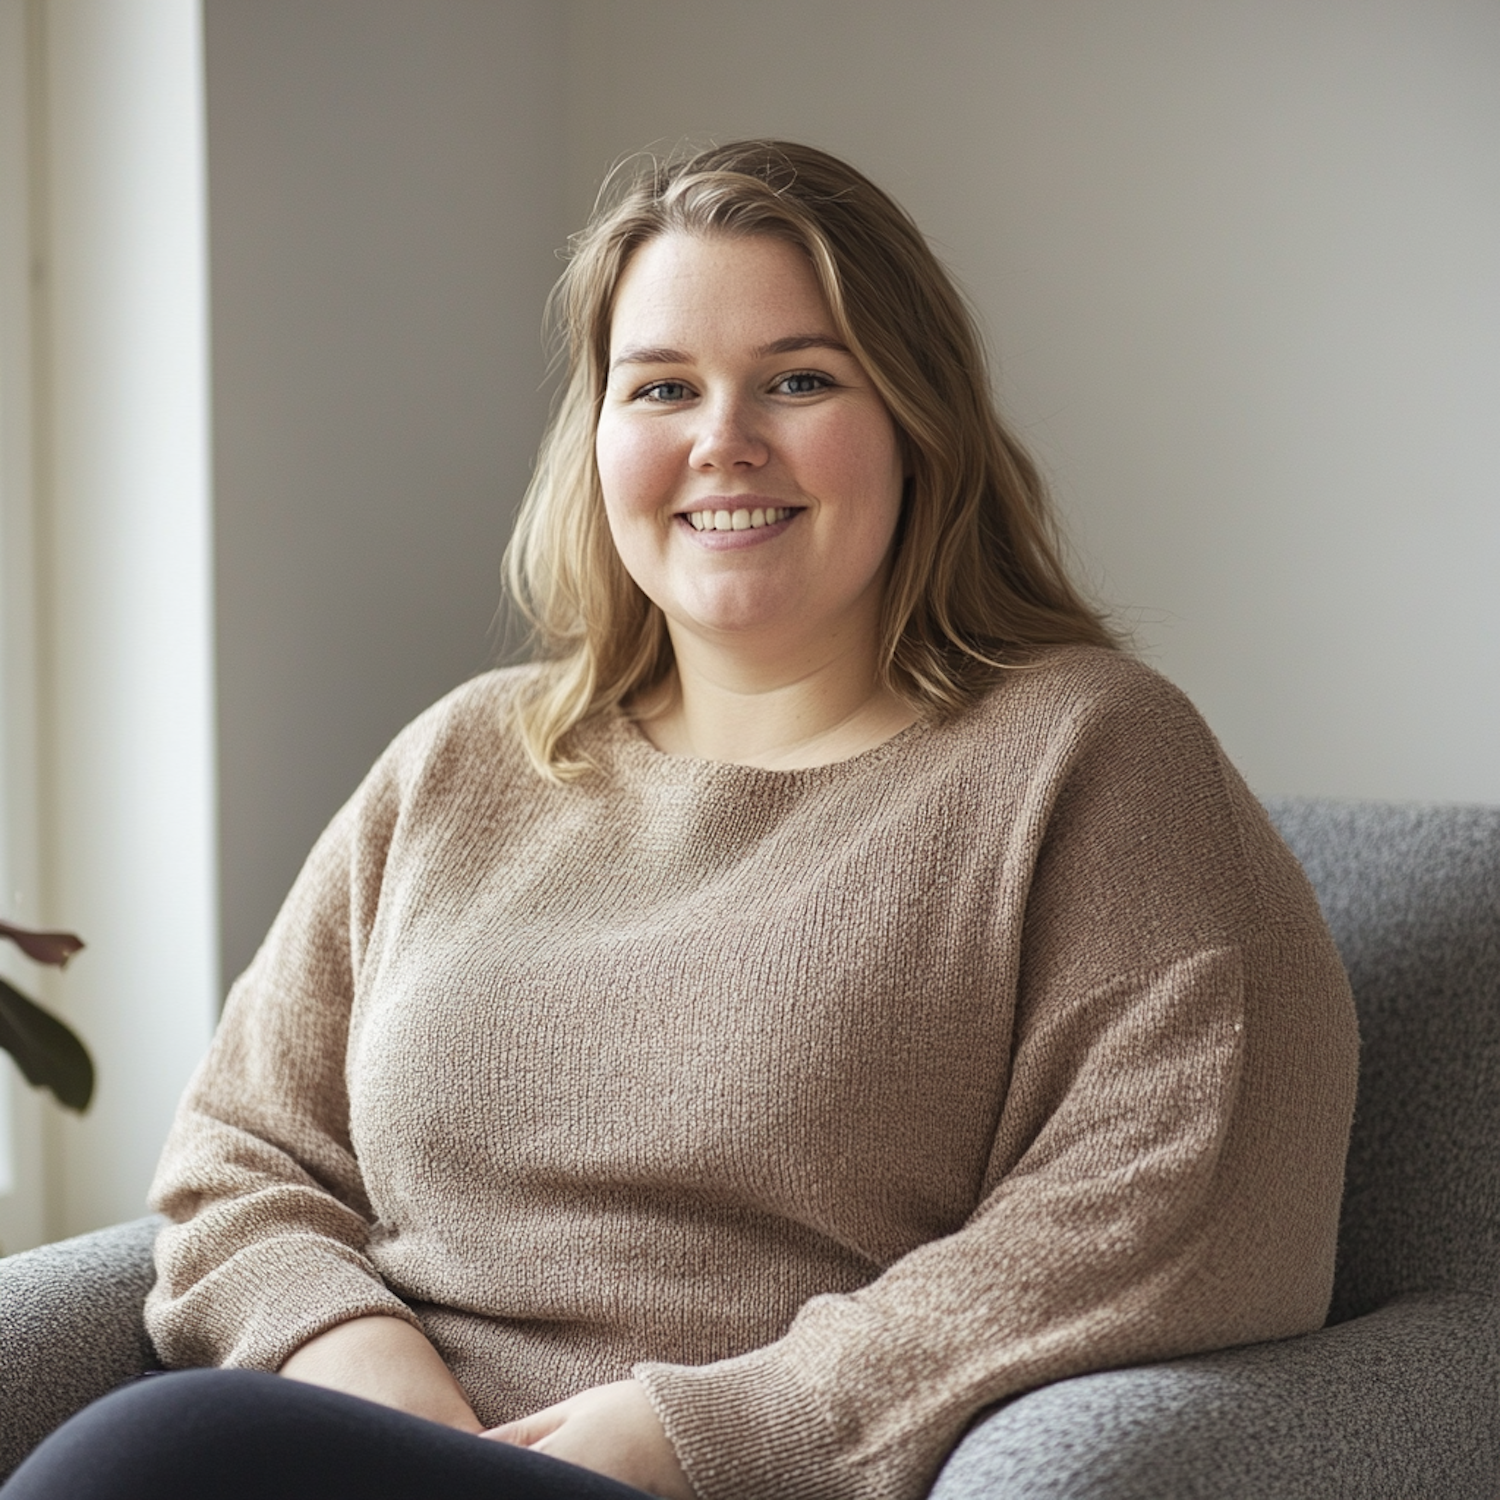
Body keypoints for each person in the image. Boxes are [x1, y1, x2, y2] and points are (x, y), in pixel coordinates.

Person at [2, 140, 1358, 1500]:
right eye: (662, 387)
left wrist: (712, 1430)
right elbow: (238, 1154)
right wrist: (365, 1374)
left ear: (915, 421)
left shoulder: (1087, 755)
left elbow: (1177, 1213)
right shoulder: (464, 758)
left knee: (147, 1460)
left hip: (726, 1481)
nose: (724, 440)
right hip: (368, 1445)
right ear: (597, 438)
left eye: (799, 379)